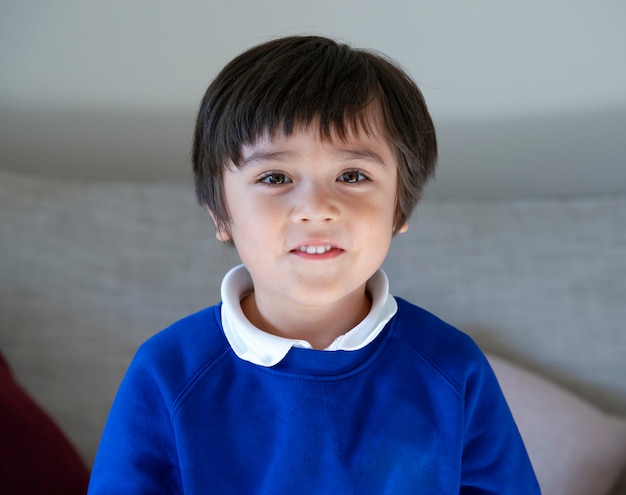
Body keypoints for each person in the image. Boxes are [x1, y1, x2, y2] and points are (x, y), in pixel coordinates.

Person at [88, 35, 540, 494]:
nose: (317, 208)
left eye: (352, 176)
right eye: (275, 177)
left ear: (400, 209)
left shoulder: (450, 366)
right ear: (220, 215)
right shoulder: (168, 372)